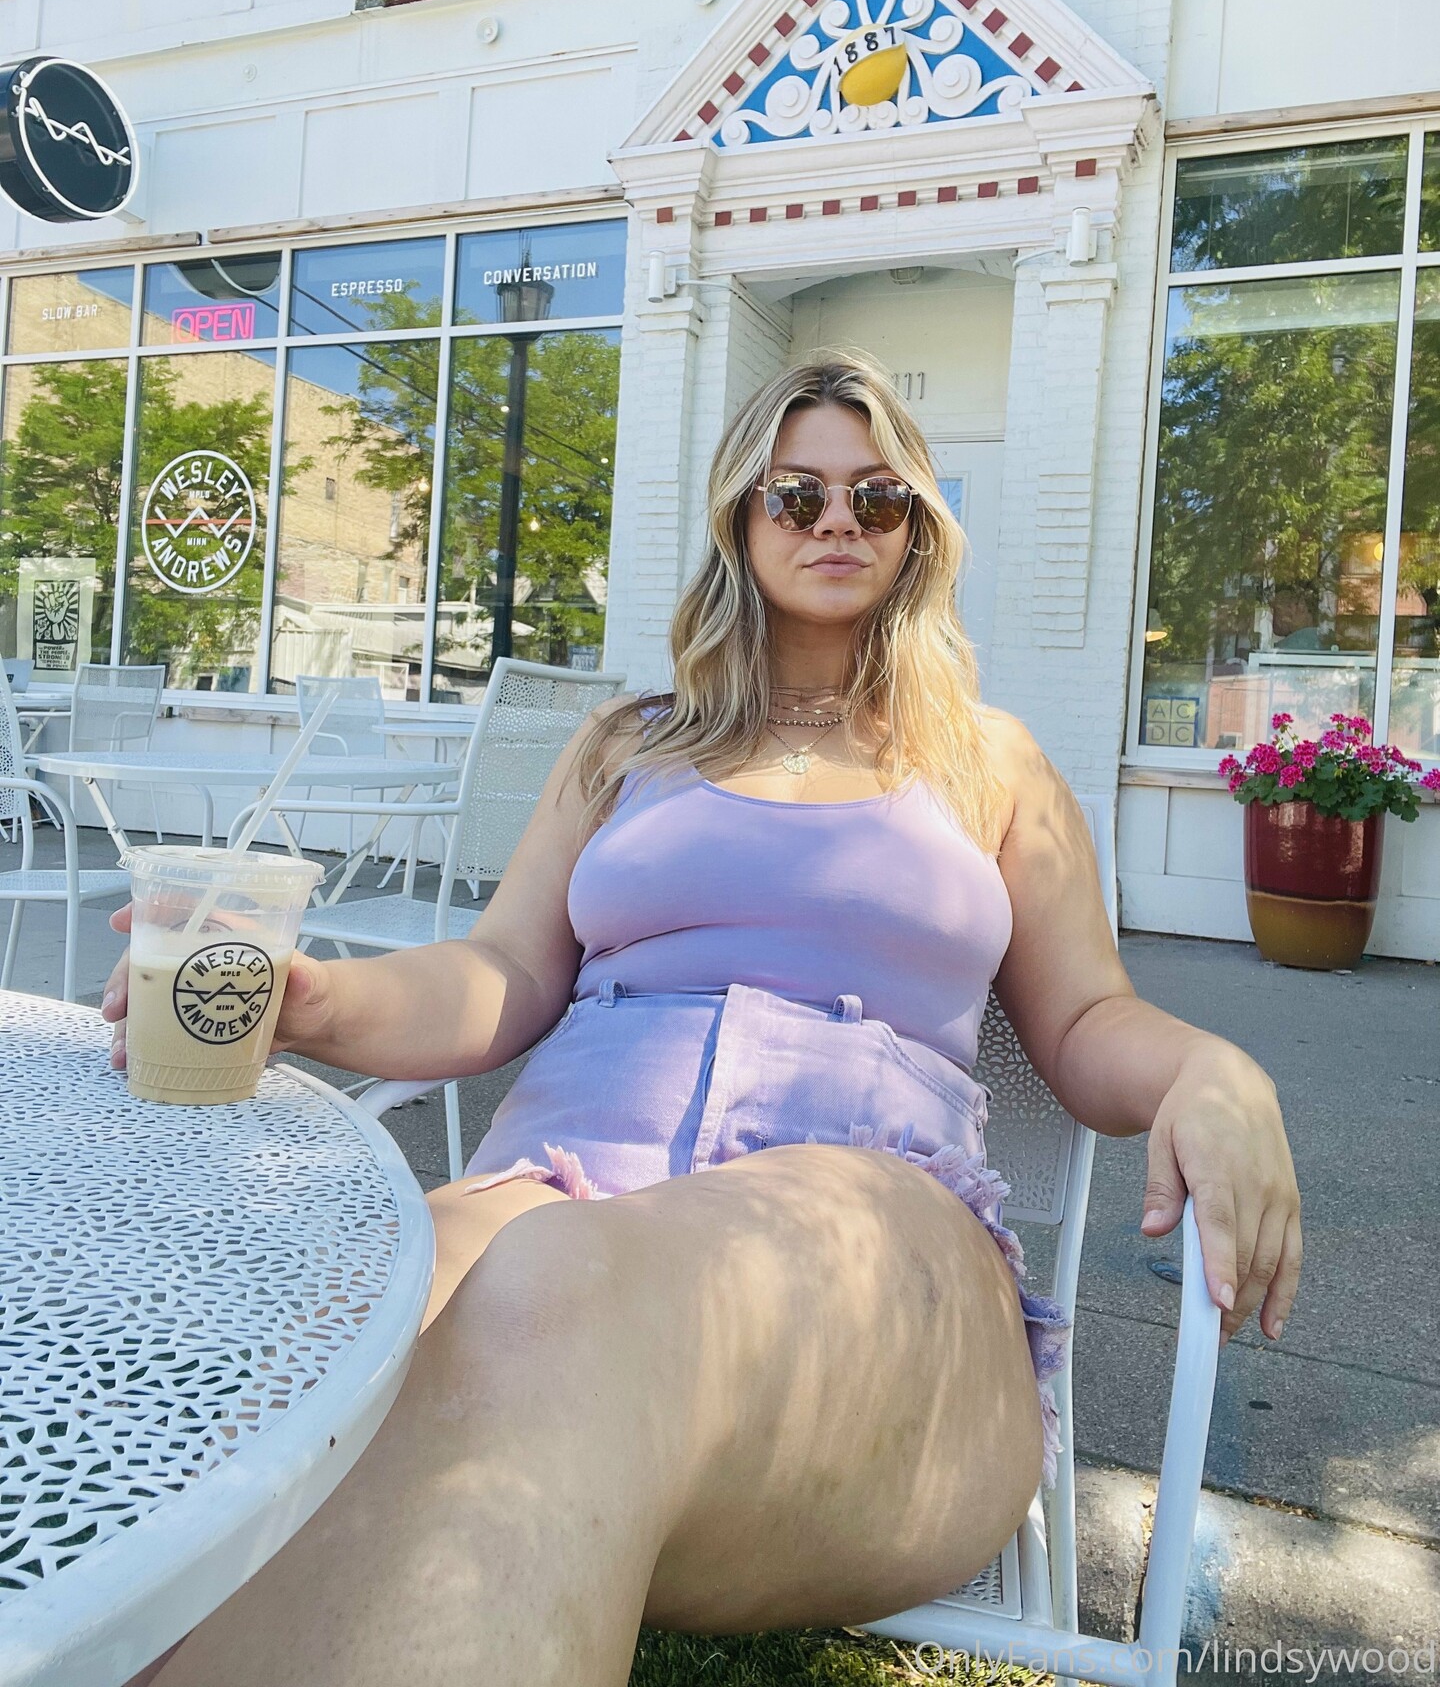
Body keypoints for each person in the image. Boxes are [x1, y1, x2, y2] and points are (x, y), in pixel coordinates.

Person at [107, 353, 1302, 1687]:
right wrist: (318, 998)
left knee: (551, 1289)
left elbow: (1083, 1022)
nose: (838, 521)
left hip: (864, 1227)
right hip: (562, 1185)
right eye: (797, 495)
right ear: (741, 518)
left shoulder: (990, 761)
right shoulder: (628, 747)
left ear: (918, 529)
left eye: (877, 497)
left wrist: (1209, 1069)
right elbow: (501, 972)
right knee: (301, 1353)